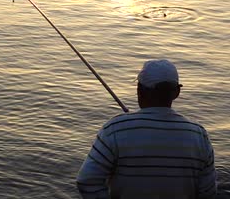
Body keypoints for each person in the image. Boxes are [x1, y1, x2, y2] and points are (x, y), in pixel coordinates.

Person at [76, 59, 217, 199]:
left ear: (139, 90)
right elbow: (208, 192)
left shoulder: (114, 129)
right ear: (176, 92)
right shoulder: (198, 135)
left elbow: (87, 181)